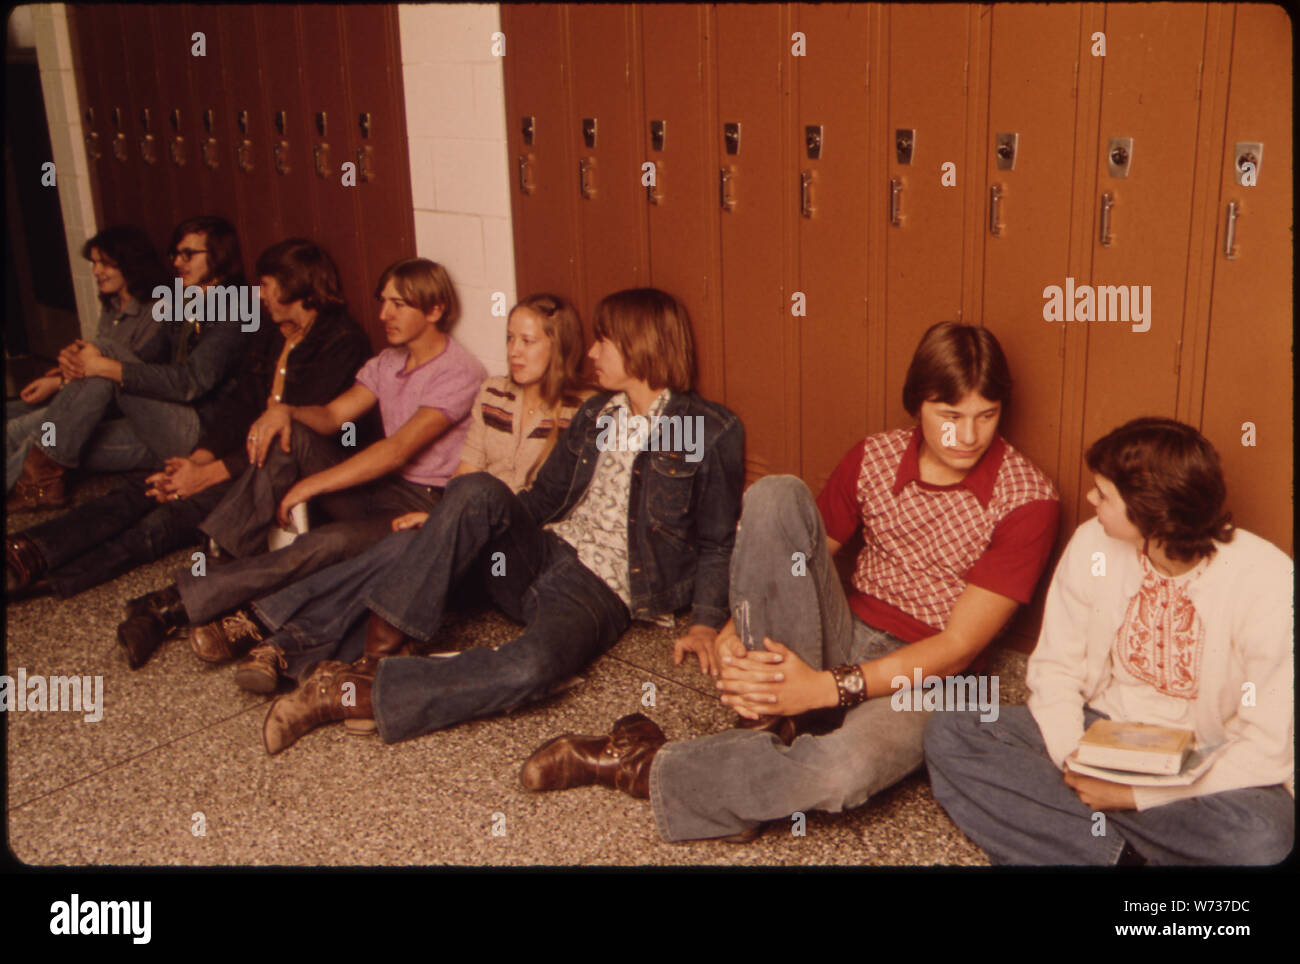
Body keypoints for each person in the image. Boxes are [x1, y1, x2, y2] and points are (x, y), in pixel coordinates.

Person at [521, 321, 1060, 843]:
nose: (968, 436)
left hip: (934, 677)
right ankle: (768, 727)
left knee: (844, 773)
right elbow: (798, 553)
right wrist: (736, 625)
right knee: (776, 494)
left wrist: (825, 688)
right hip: (844, 630)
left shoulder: (1028, 498)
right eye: (950, 415)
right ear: (917, 404)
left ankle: (641, 761)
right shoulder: (875, 455)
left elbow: (959, 646)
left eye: (986, 416)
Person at [256, 287, 745, 757]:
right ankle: (370, 658)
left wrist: (704, 622)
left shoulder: (702, 427)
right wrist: (457, 522)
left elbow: (716, 540)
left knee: (533, 669)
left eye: (605, 340)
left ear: (641, 346)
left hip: (600, 590)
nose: (592, 351)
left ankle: (346, 691)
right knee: (466, 495)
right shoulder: (598, 413)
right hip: (541, 552)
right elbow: (546, 496)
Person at [923, 417, 1294, 865]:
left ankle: (1072, 838)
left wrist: (1132, 796)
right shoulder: (1091, 544)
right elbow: (1055, 670)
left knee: (1264, 834)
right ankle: (1120, 857)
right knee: (955, 730)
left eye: (1103, 494)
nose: (1090, 499)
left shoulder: (1268, 579)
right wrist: (1074, 759)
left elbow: (1268, 747)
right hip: (1100, 730)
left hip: (1205, 753)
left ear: (1150, 512)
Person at [4, 240, 372, 668]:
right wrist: (197, 459)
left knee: (165, 521)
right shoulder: (273, 333)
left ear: (297, 286)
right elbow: (240, 407)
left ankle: (51, 578)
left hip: (291, 468)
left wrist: (210, 474)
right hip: (242, 454)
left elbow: (294, 438)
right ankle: (31, 551)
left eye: (267, 285)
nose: (259, 294)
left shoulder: (340, 341)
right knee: (143, 490)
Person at [113, 257, 486, 663]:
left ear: (434, 310)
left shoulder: (459, 372)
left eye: (399, 304)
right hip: (383, 488)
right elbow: (330, 417)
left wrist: (310, 485)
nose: (383, 314)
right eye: (383, 301)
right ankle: (215, 565)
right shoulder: (389, 361)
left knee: (327, 542)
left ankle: (173, 605)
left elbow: (396, 450)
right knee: (288, 435)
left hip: (424, 506)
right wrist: (285, 412)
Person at [213, 293, 591, 693]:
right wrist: (443, 520)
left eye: (527, 341)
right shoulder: (494, 393)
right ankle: (280, 647)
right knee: (398, 550)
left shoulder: (581, 411)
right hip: (464, 527)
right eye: (510, 338)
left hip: (514, 555)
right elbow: (466, 473)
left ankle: (265, 624)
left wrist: (444, 522)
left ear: (559, 344)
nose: (514, 351)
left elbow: (548, 501)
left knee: (404, 551)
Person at [6, 216, 247, 512]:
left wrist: (101, 364)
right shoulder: (185, 300)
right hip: (160, 425)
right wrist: (77, 362)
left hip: (199, 435)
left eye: (189, 254)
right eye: (176, 254)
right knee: (55, 436)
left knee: (105, 354)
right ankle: (42, 484)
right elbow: (145, 360)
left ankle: (38, 480)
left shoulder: (236, 305)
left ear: (219, 255)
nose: (178, 262)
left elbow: (190, 383)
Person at [6, 224, 173, 501]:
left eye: (105, 264)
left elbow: (120, 372)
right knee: (16, 410)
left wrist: (62, 380)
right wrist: (61, 371)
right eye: (94, 263)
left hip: (125, 406)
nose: (96, 272)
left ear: (131, 263)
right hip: (89, 394)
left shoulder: (160, 309)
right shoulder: (113, 306)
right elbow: (89, 358)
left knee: (20, 431)